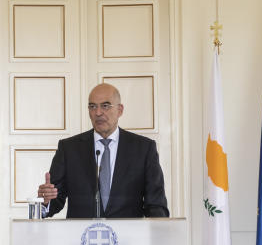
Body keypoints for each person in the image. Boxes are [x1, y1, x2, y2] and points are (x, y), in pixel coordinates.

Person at [37, 83, 169, 218]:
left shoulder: (144, 149)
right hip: (81, 237)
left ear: (120, 110)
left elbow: (156, 204)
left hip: (128, 237)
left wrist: (159, 232)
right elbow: (54, 201)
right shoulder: (69, 149)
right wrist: (46, 202)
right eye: (92, 106)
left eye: (105, 106)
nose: (98, 112)